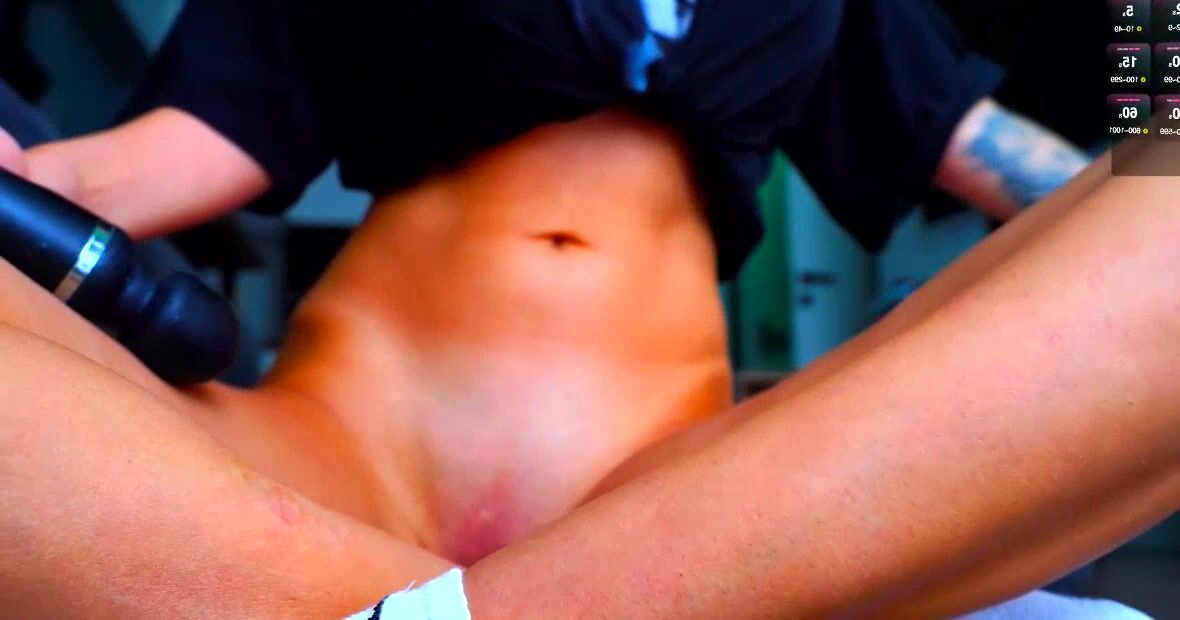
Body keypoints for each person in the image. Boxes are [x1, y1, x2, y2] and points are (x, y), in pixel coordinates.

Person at [2, 1, 1167, 618]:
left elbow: (984, 150)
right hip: (326, 454)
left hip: (668, 506)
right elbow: (162, 158)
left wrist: (1118, 226)